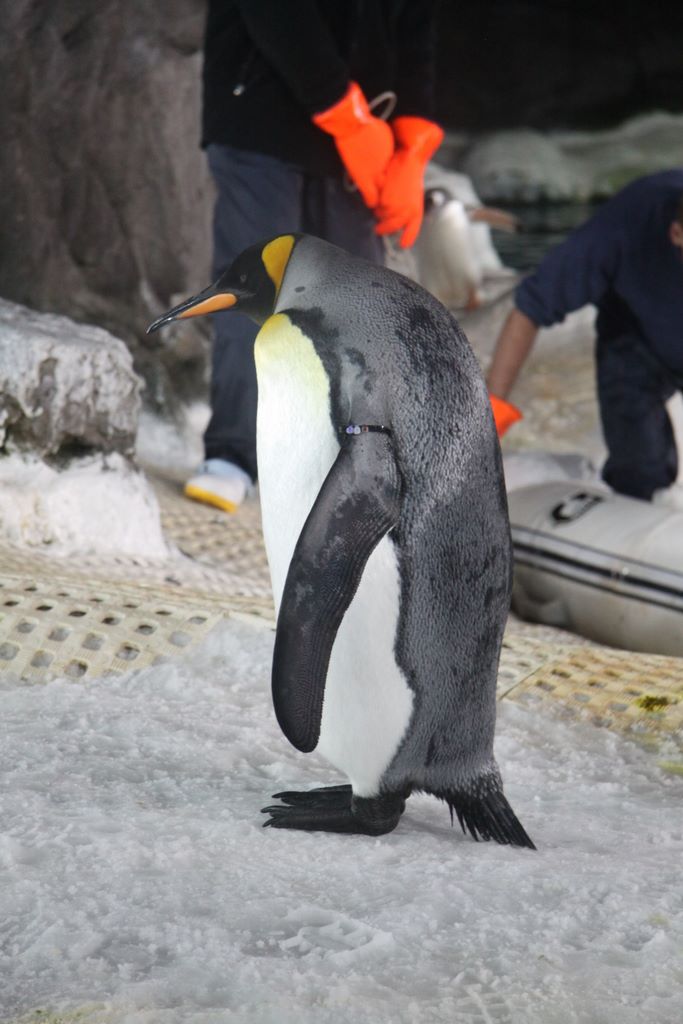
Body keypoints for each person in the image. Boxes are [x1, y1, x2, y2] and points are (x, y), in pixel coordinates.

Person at [186, 0, 443, 512]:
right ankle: (233, 454)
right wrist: (341, 111)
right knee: (258, 289)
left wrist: (412, 144)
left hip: (363, 137)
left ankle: (347, 462)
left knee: (358, 308)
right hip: (262, 117)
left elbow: (417, 24)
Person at [487, 169, 683, 505]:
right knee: (640, 467)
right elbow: (529, 309)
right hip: (639, 341)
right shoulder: (623, 225)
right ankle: (631, 509)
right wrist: (491, 412)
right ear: (677, 233)